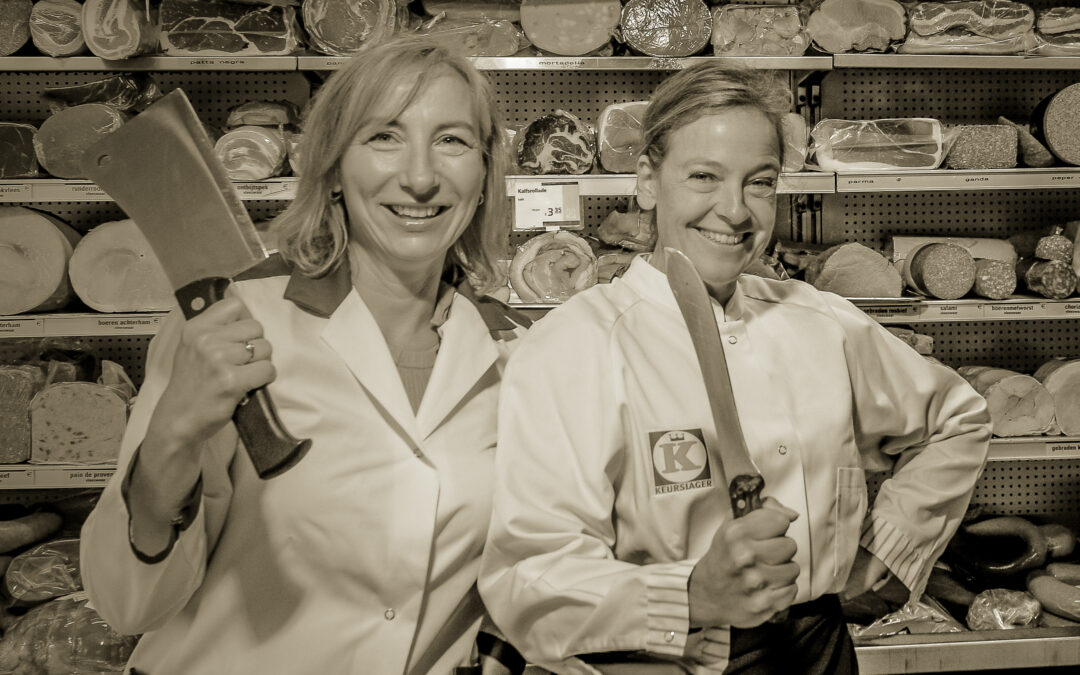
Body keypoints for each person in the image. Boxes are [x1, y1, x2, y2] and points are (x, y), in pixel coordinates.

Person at [478, 62, 992, 674]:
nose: (735, 211)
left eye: (760, 183)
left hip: (817, 648)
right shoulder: (572, 348)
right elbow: (529, 580)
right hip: (660, 657)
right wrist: (690, 595)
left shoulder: (821, 321)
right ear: (646, 180)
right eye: (703, 176)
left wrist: (887, 546)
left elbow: (958, 417)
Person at [80, 36, 529, 675]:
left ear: (485, 174)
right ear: (334, 169)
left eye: (453, 141)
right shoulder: (232, 321)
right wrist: (171, 440)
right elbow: (126, 603)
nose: (422, 176)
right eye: (384, 137)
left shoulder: (515, 355)